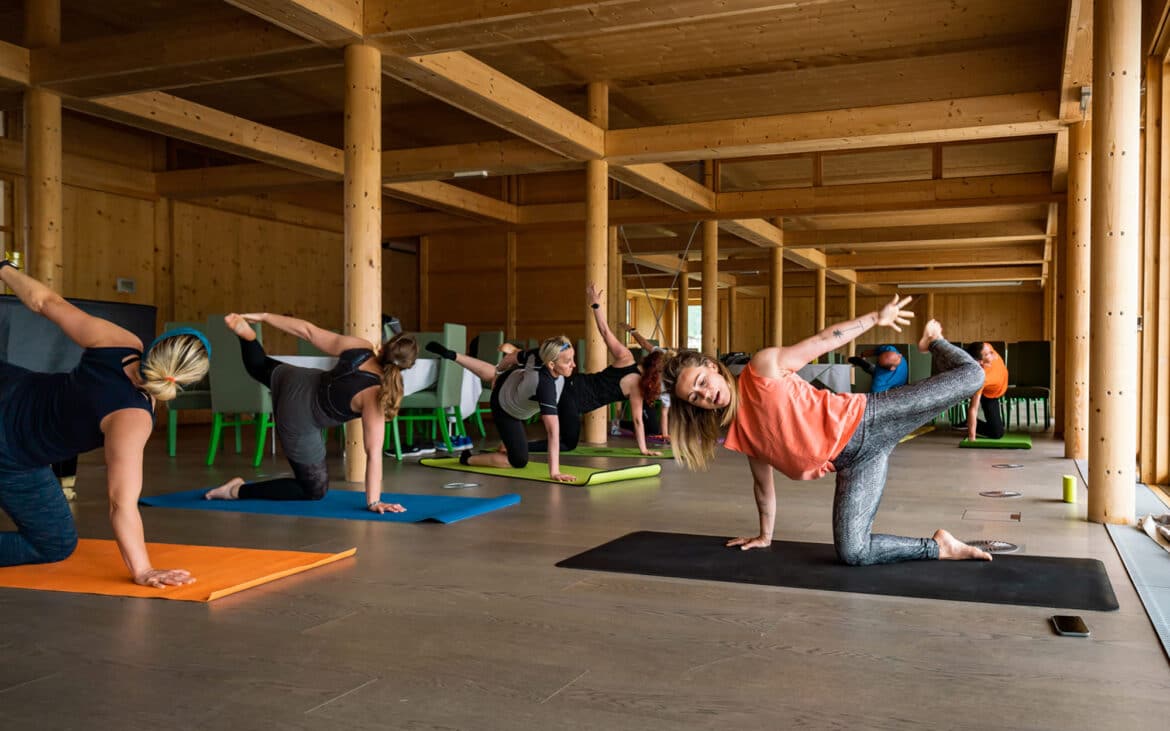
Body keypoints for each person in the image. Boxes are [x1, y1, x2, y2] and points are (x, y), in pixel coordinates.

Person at [663, 295, 992, 566]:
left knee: (974, 376)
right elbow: (763, 487)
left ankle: (934, 341)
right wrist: (765, 536)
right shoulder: (741, 434)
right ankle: (940, 547)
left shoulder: (762, 369)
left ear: (712, 367)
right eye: (695, 397)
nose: (705, 395)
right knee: (854, 552)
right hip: (855, 463)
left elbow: (822, 341)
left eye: (702, 382)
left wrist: (876, 318)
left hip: (867, 419)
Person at [0, 259, 209, 586]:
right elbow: (121, 504)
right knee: (53, 544)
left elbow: (45, 302)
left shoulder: (122, 343)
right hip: (13, 452)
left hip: (11, 387)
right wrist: (142, 570)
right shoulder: (133, 419)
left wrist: (3, 268)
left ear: (156, 347)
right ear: (184, 383)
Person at [204, 313, 417, 514]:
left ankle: (248, 337)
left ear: (383, 347)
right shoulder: (377, 395)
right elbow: (373, 453)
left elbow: (308, 331)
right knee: (313, 489)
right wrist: (374, 501)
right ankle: (235, 491)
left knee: (259, 366)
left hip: (297, 379)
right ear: (406, 368)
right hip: (299, 416)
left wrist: (265, 317)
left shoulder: (360, 347)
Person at [527, 284, 665, 457]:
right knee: (567, 444)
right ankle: (516, 447)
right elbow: (637, 421)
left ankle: (523, 365)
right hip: (573, 398)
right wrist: (643, 449)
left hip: (574, 382)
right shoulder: (636, 386)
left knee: (541, 407)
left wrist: (596, 305)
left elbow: (605, 331)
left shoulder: (626, 357)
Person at [426, 336, 577, 482]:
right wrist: (555, 472)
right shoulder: (545, 387)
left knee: (494, 373)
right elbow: (552, 431)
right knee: (518, 460)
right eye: (568, 361)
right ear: (551, 364)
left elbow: (511, 358)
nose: (574, 365)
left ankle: (454, 356)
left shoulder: (540, 352)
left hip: (513, 379)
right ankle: (467, 458)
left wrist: (498, 373)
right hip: (505, 407)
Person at [619, 322, 674, 442]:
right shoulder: (662, 355)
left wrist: (665, 435)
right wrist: (632, 330)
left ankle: (623, 424)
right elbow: (644, 344)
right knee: (645, 424)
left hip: (650, 398)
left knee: (653, 430)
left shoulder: (670, 385)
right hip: (639, 389)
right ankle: (619, 424)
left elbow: (664, 412)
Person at [964, 341, 1008, 441]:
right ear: (981, 362)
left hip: (1001, 388)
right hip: (990, 396)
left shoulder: (986, 346)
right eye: (988, 354)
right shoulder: (981, 379)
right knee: (997, 433)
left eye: (990, 351)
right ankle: (969, 423)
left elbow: (986, 349)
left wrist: (988, 351)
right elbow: (973, 409)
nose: (993, 353)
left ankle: (970, 422)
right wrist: (972, 438)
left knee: (999, 424)